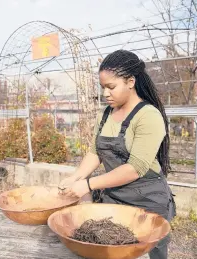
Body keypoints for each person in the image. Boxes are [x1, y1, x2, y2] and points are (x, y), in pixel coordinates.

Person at [58, 50, 176, 259]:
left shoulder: (148, 116)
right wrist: (75, 177)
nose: (105, 94)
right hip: (114, 197)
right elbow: (96, 152)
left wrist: (87, 185)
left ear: (130, 82)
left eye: (111, 87)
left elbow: (135, 168)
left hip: (146, 203)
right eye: (103, 87)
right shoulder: (106, 115)